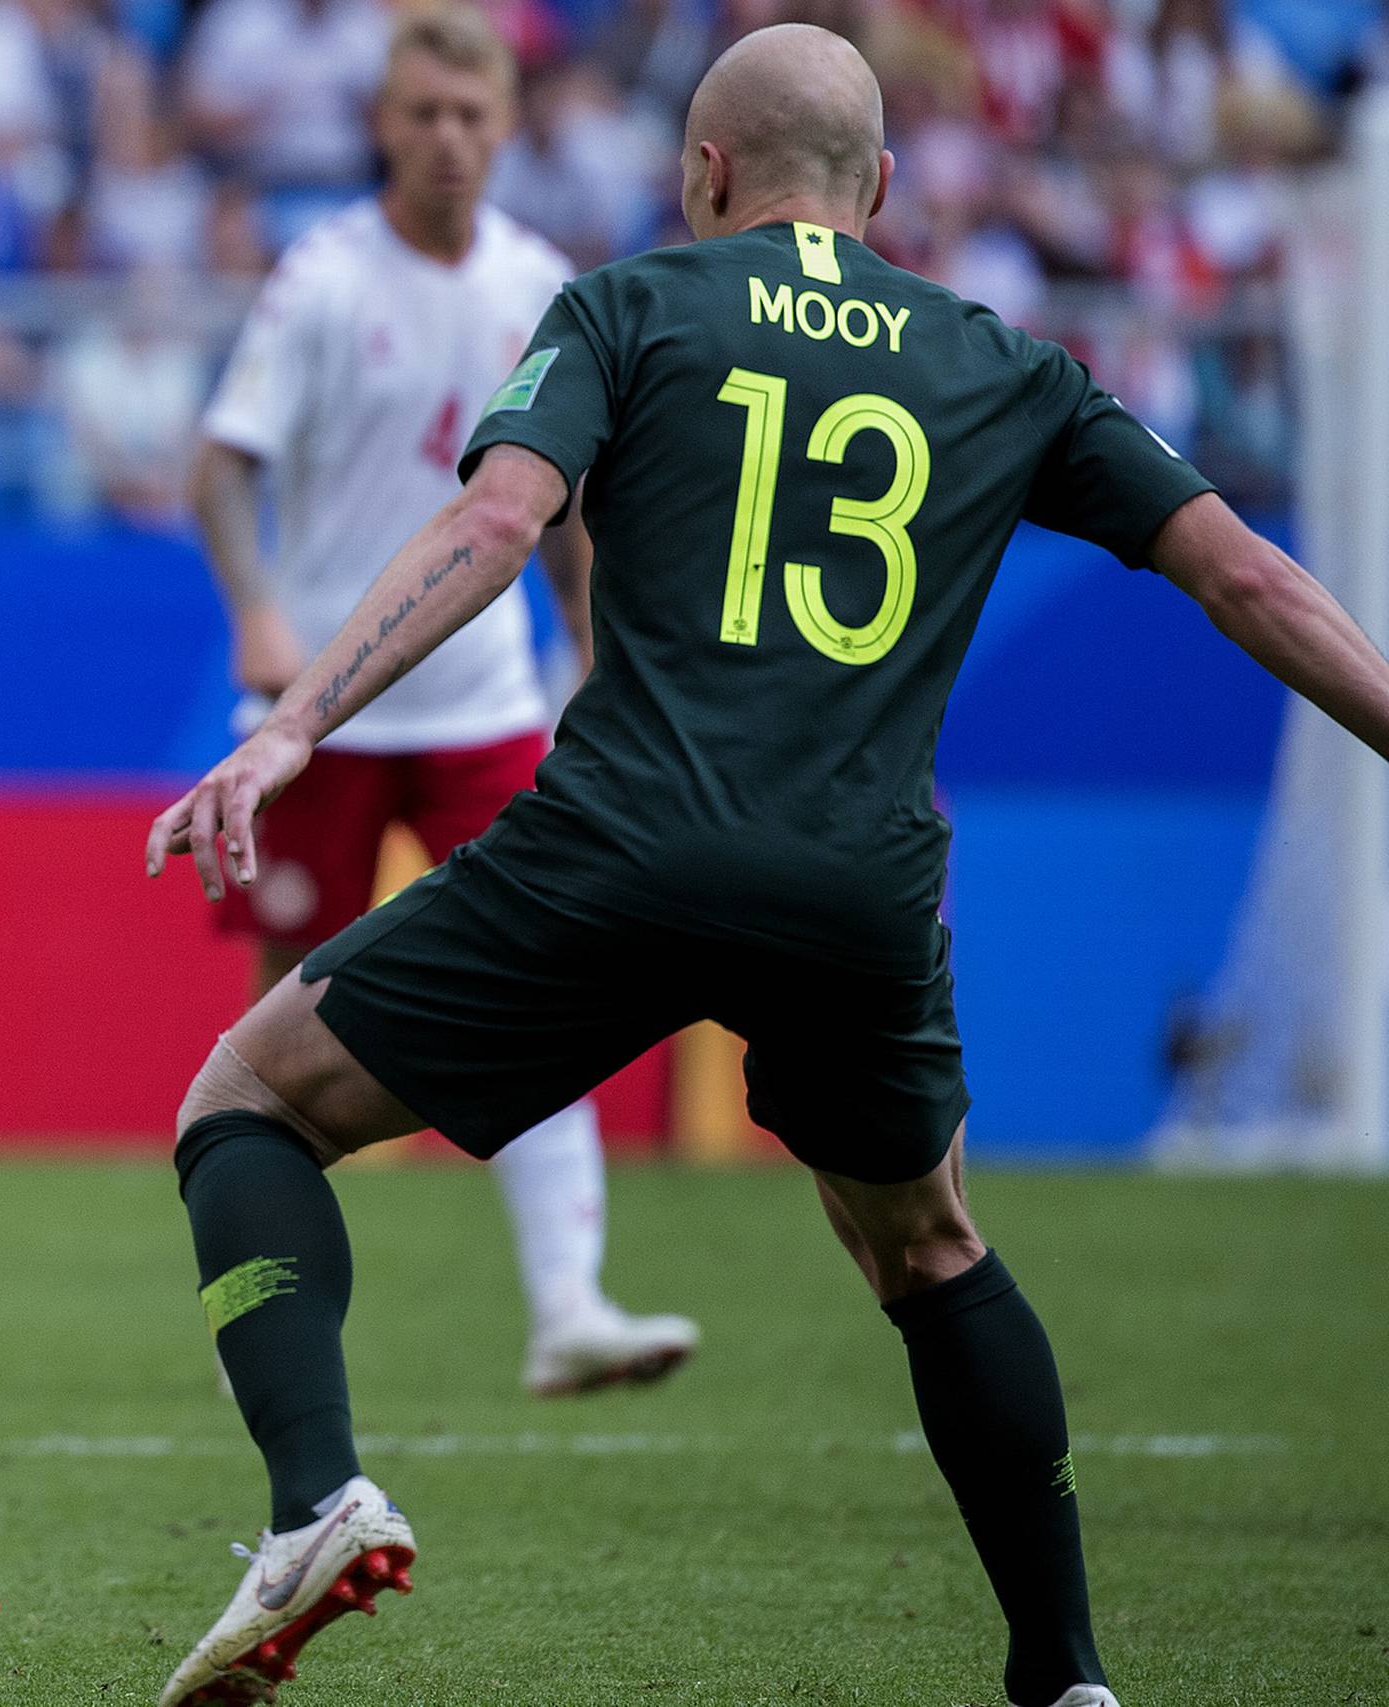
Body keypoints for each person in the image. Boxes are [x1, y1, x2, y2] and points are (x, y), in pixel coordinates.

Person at [145, 22, 1389, 1707]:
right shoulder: (1004, 362)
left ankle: (311, 1505)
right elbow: (1248, 578)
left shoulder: (627, 303)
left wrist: (294, 719)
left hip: (622, 851)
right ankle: (1070, 1674)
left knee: (247, 1099)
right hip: (857, 892)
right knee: (930, 1246)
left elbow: (499, 526)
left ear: (703, 173)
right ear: (880, 190)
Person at [189, 1, 698, 1399]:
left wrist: (589, 643)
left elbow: (569, 497)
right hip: (331, 706)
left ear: (509, 127)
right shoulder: (321, 280)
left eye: (473, 115)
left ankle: (569, 1301)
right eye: (423, 112)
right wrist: (259, 612)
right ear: (381, 124)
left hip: (482, 702)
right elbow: (222, 462)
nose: (448, 138)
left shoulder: (543, 284)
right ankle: (268, 1327)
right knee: (270, 1031)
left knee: (547, 986)